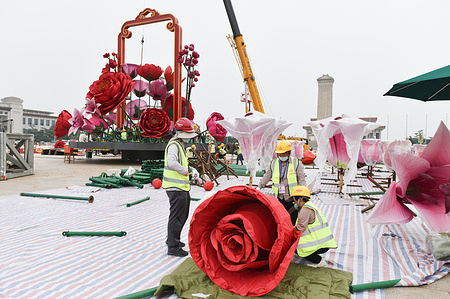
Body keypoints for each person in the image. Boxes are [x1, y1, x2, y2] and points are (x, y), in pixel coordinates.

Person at [162, 117, 197, 257]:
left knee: (181, 215)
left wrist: (191, 170)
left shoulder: (180, 145)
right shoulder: (174, 145)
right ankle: (173, 246)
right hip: (175, 188)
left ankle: (172, 238)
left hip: (181, 187)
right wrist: (187, 171)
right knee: (176, 217)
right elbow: (172, 163)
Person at [257, 140, 306, 225]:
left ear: (289, 153)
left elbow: (302, 179)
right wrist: (259, 186)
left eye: (283, 154)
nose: (281, 156)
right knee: (280, 219)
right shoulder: (273, 163)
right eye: (279, 154)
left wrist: (302, 195)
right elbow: (267, 175)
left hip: (292, 198)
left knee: (292, 220)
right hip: (279, 197)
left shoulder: (296, 163)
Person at [291, 186, 337, 267]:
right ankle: (313, 255)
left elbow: (300, 229)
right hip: (323, 242)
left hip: (320, 244)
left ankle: (318, 261)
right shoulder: (310, 206)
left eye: (295, 200)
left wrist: (288, 228)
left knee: (296, 248)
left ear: (300, 199)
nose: (294, 203)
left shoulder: (306, 209)